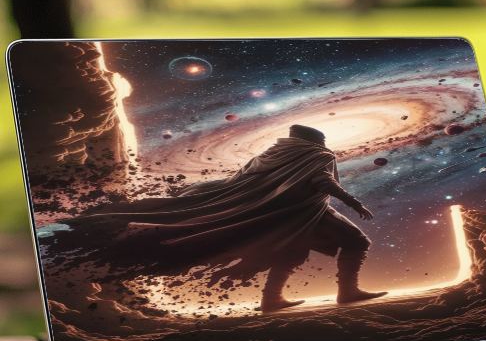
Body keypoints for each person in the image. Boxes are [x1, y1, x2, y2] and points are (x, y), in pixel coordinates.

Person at [52, 124, 388, 313]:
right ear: (317, 140)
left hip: (275, 213)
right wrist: (354, 202)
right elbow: (323, 182)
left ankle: (272, 298)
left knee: (289, 250)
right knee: (356, 241)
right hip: (304, 211)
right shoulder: (317, 154)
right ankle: (346, 292)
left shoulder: (268, 154)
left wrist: (204, 194)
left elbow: (237, 182)